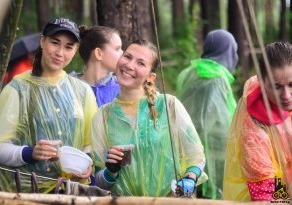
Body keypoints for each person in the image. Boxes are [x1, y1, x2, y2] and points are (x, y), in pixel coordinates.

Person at [0, 17, 98, 193]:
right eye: (55, 43)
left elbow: (90, 143)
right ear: (42, 41)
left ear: (75, 50)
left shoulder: (83, 91)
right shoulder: (18, 89)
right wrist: (30, 153)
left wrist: (85, 164)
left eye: (68, 47)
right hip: (27, 194)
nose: (60, 52)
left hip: (72, 193)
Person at [91, 39, 207, 196]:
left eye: (140, 63)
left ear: (150, 77)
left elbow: (196, 157)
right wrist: (110, 171)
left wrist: (190, 178)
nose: (130, 65)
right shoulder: (102, 116)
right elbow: (99, 183)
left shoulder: (169, 105)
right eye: (127, 57)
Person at [223, 42, 292, 201]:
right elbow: (266, 194)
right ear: (261, 80)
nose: (286, 95)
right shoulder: (253, 130)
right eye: (276, 87)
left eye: (291, 85)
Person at [176, 29, 238, 199]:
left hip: (186, 144)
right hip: (215, 150)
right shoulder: (217, 78)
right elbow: (220, 119)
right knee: (212, 195)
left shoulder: (187, 73)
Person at [71, 25, 123, 107]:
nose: (122, 53)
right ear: (99, 53)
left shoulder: (123, 89)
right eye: (117, 49)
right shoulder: (68, 88)